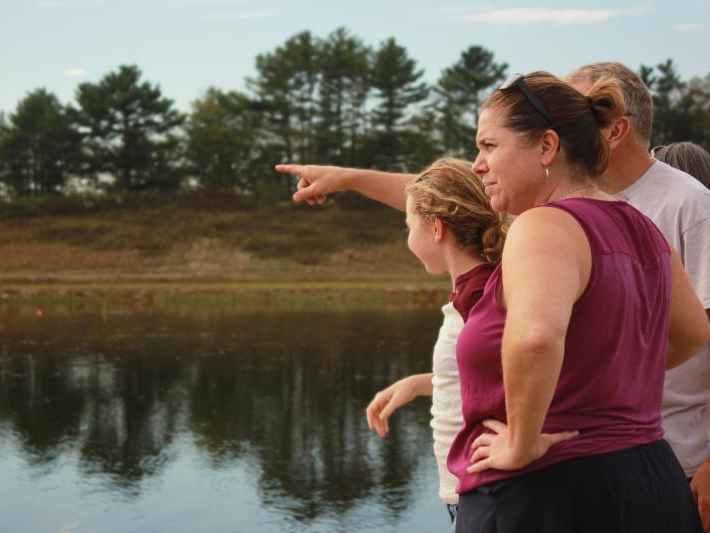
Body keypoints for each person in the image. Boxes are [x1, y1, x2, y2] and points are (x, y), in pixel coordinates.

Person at [277, 61, 710, 531]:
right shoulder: (643, 227)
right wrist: (602, 382)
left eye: (488, 146)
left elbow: (536, 339)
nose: (478, 163)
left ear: (547, 146)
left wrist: (521, 442)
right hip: (651, 480)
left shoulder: (543, 224)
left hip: (553, 492)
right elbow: (691, 334)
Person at [566, 63, 710, 533]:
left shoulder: (688, 206)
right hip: (598, 463)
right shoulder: (575, 204)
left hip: (681, 465)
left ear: (615, 130)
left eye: (573, 117)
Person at [363, 158, 506, 518]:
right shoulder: (472, 290)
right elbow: (488, 377)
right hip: (473, 489)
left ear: (437, 228)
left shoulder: (480, 297)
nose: (408, 236)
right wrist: (421, 384)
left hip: (488, 489)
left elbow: (534, 371)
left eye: (409, 226)